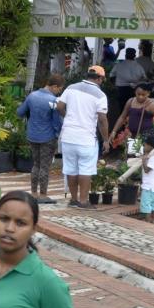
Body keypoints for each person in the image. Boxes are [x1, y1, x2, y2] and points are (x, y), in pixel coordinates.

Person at [56, 65, 110, 209]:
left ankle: (73, 200)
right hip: (86, 138)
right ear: (99, 78)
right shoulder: (100, 95)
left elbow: (59, 107)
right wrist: (106, 139)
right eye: (102, 79)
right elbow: (102, 119)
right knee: (86, 169)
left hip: (68, 137)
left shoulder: (71, 88)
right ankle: (84, 201)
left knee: (71, 168)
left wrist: (68, 117)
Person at [17, 74, 65, 203]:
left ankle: (33, 193)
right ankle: (43, 195)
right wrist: (57, 133)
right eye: (59, 89)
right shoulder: (53, 101)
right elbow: (57, 122)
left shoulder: (32, 96)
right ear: (54, 86)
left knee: (36, 164)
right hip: (48, 137)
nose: (59, 92)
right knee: (45, 166)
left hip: (32, 135)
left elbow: (20, 112)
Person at [109, 81, 154, 147]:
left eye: (143, 95)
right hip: (132, 135)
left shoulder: (152, 105)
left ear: (148, 94)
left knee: (142, 155)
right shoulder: (130, 101)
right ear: (135, 92)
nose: (140, 97)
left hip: (147, 137)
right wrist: (114, 131)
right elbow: (122, 117)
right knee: (133, 155)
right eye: (138, 94)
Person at [141, 135, 154, 223]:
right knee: (153, 203)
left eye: (145, 145)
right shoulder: (151, 155)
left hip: (149, 185)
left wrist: (143, 161)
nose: (143, 147)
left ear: (150, 146)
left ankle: (148, 220)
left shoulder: (153, 157)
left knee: (146, 203)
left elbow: (147, 170)